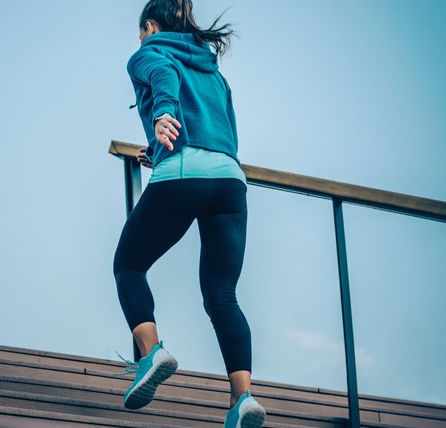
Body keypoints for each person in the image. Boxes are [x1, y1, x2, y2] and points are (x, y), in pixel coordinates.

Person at [112, 1, 266, 426]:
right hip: (230, 179)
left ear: (149, 26)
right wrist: (159, 148)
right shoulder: (214, 71)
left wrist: (163, 114)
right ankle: (243, 400)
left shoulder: (148, 52)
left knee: (128, 264)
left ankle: (153, 353)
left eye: (141, 32)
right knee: (222, 295)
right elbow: (218, 129)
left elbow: (164, 77)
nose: (140, 41)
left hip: (184, 172)